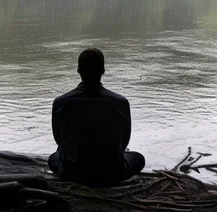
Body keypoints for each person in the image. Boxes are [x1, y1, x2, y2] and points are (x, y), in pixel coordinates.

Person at [48, 48, 145, 186]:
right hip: (112, 173)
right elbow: (125, 141)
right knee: (138, 158)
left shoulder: (60, 102)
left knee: (53, 158)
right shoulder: (120, 103)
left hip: (72, 172)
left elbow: (59, 140)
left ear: (78, 71)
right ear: (103, 71)